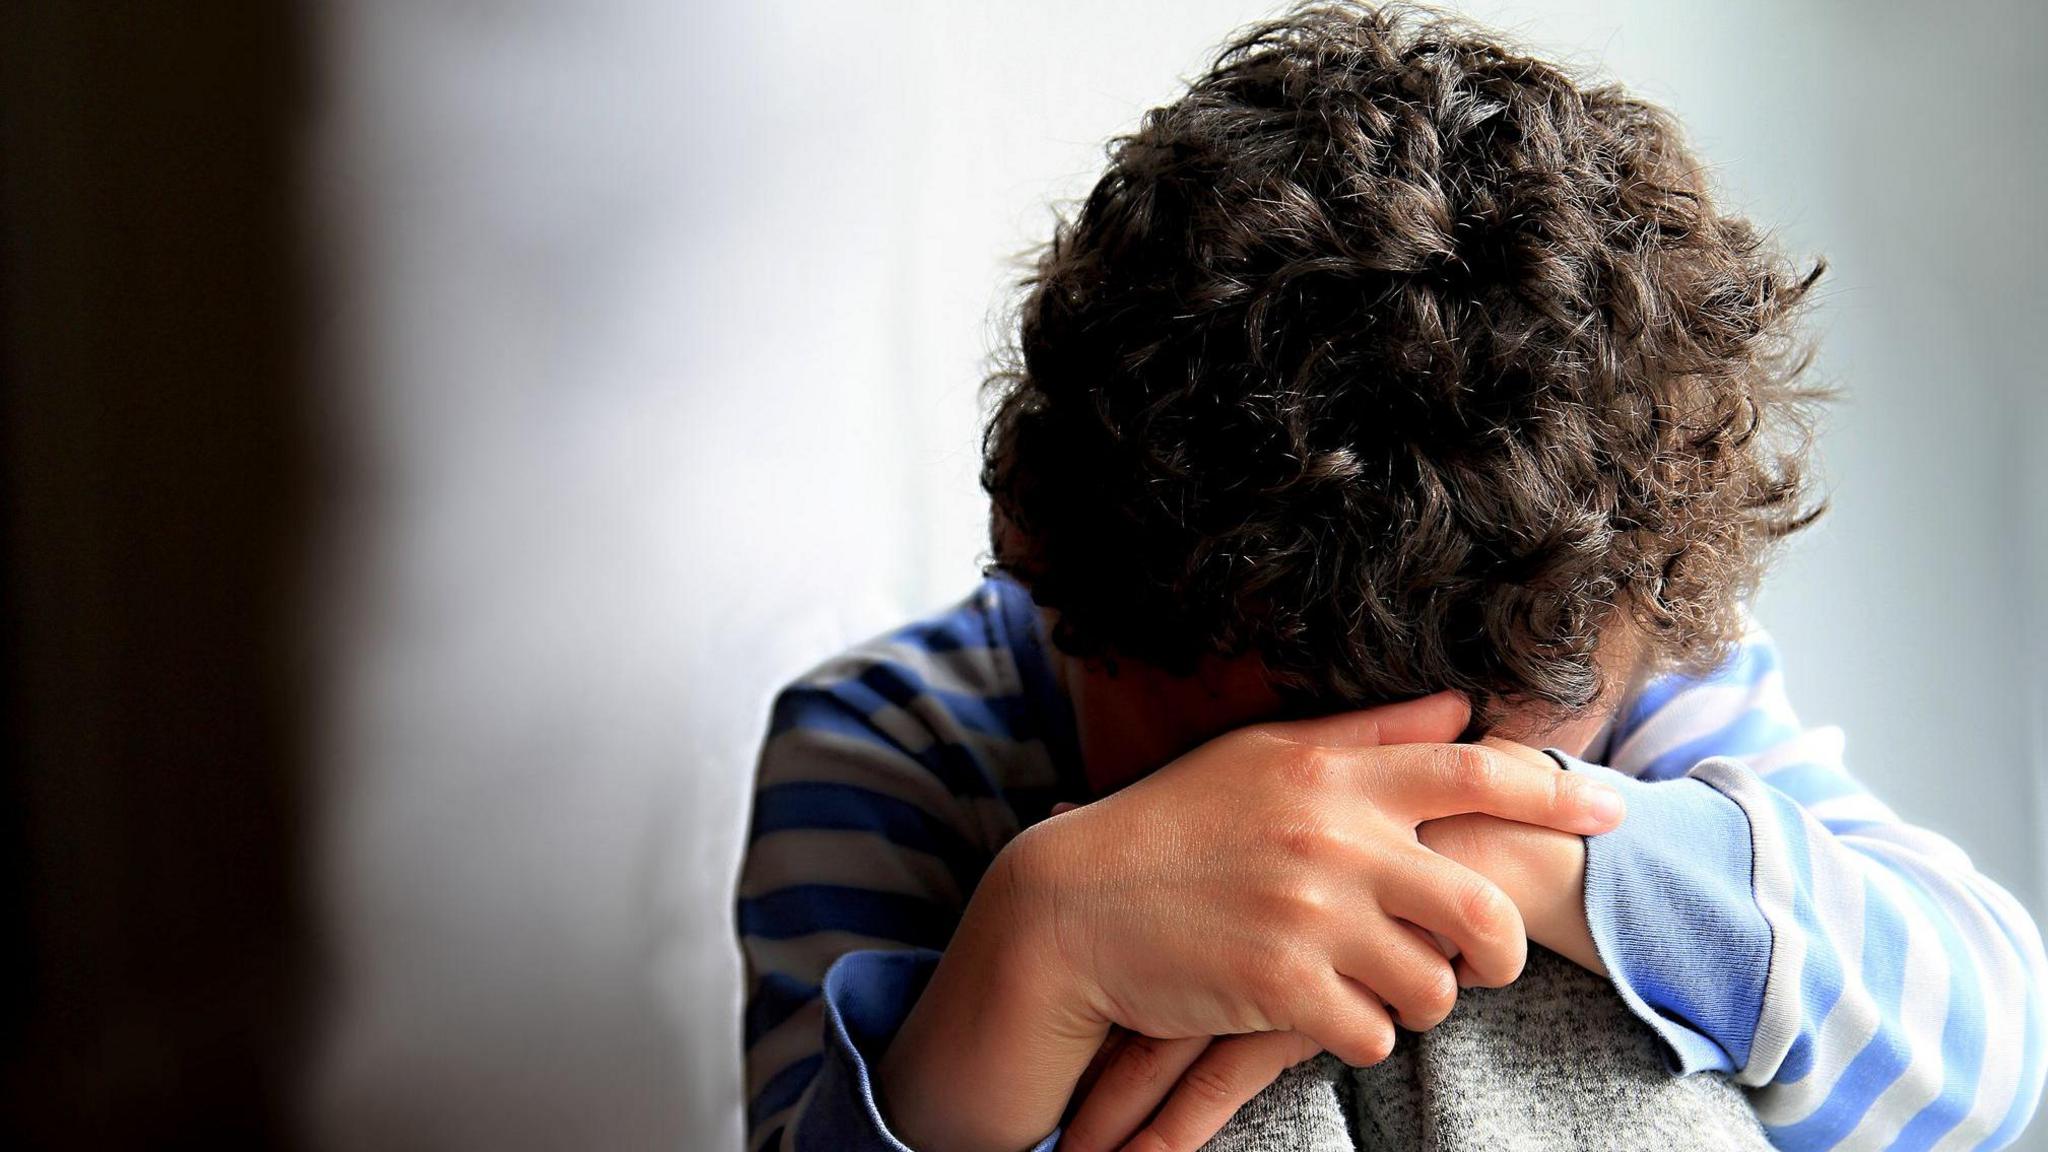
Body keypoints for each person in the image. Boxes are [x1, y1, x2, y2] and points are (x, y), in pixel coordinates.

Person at [732, 4, 2048, 1150]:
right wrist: (1038, 942)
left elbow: (1975, 1067)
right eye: (1243, 770)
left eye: (1450, 760)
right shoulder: (897, 741)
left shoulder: (1632, 678)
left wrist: (1513, 843)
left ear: (1650, 634)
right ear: (1036, 545)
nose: (1328, 829)